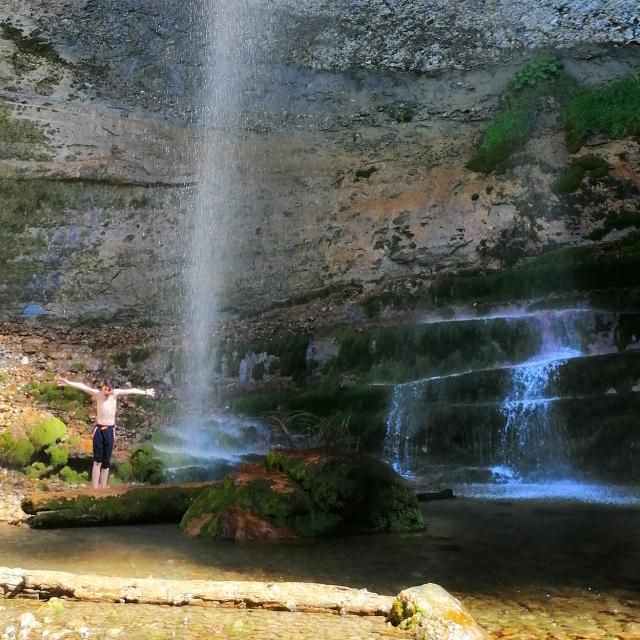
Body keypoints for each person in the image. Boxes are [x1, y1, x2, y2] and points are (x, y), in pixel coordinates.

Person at [56, 377, 156, 489]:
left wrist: (146, 392)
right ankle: (95, 488)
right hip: (99, 430)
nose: (107, 392)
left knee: (106, 462)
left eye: (109, 390)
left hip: (109, 430)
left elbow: (130, 390)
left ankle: (103, 488)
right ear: (102, 387)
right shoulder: (98, 394)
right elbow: (83, 386)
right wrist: (68, 383)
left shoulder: (115, 394)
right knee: (97, 461)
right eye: (105, 389)